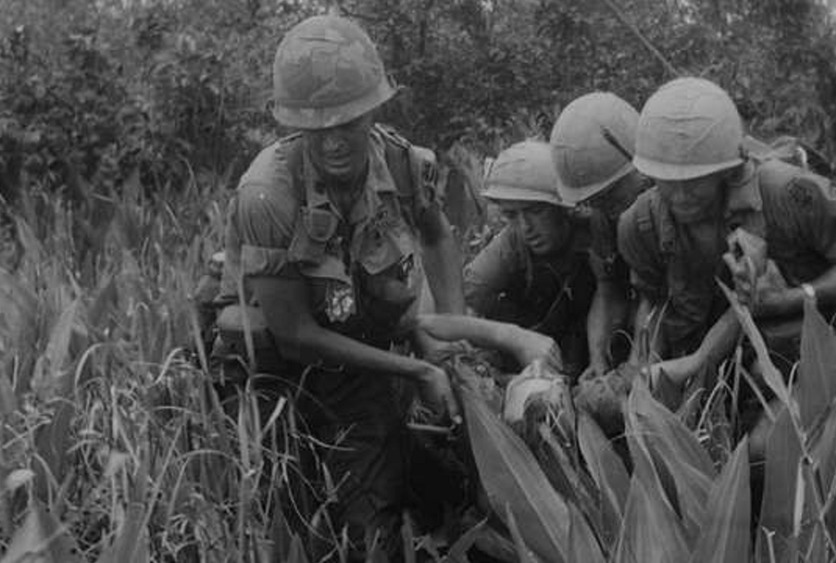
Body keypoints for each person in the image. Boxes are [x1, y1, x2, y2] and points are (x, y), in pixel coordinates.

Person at [212, 14, 464, 561]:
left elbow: (438, 236)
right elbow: (296, 334)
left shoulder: (402, 163)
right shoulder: (267, 192)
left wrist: (449, 343)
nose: (332, 141)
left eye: (346, 122)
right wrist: (419, 370)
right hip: (271, 361)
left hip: (356, 359)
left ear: (373, 110)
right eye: (314, 126)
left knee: (371, 529)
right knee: (280, 509)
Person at [617, 76, 836, 420]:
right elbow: (654, 300)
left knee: (766, 450)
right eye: (667, 181)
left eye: (695, 181)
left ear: (728, 168)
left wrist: (793, 298)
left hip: (805, 359)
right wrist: (644, 367)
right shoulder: (640, 223)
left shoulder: (788, 192)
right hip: (714, 368)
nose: (681, 195)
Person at [464, 140, 596, 377]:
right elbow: (470, 301)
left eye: (536, 211)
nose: (525, 228)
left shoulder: (595, 232)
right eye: (512, 215)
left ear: (562, 206)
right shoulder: (509, 246)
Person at [549, 92, 651, 380]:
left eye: (610, 195)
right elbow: (607, 289)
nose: (602, 207)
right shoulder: (602, 217)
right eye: (592, 200)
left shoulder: (672, 203)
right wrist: (597, 359)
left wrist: (638, 364)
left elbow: (657, 297)